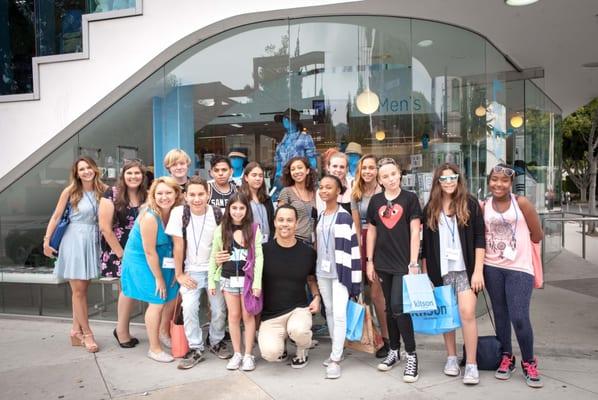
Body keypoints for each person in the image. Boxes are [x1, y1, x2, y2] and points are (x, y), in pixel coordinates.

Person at [421, 163, 485, 385]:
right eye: (444, 179)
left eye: (452, 178)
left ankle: (471, 364)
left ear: (459, 179)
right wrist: (426, 274)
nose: (449, 182)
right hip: (442, 271)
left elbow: (479, 239)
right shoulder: (431, 208)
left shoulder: (470, 204)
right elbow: (426, 246)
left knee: (467, 313)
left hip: (465, 270)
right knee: (446, 316)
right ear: (437, 182)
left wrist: (478, 271)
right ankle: (451, 357)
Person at [482, 163, 544, 388]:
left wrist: (518, 250)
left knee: (519, 316)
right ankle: (507, 356)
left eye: (504, 181)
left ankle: (529, 361)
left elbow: (537, 234)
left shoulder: (522, 204)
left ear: (511, 183)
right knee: (500, 314)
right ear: (489, 181)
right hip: (492, 267)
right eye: (494, 180)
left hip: (519, 268)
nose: (498, 184)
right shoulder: (484, 205)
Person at [166, 176, 232, 369]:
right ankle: (195, 347)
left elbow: (224, 242)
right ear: (185, 196)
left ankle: (216, 341)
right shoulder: (179, 213)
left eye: (201, 194)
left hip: (213, 271)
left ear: (208, 194)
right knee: (189, 308)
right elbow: (178, 246)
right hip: (191, 271)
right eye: (192, 194)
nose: (197, 199)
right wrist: (180, 275)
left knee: (219, 309)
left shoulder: (218, 213)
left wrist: (222, 259)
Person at [365, 157, 422, 383]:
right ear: (380, 180)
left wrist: (414, 262)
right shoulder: (376, 201)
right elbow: (372, 232)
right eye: (385, 176)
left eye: (393, 174)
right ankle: (394, 351)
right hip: (382, 262)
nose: (390, 179)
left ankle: (412, 354)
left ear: (400, 174)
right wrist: (369, 261)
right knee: (389, 308)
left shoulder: (410, 199)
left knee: (399, 307)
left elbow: (415, 232)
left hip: (404, 263)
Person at [43, 156, 106, 353]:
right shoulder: (70, 191)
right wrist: (46, 240)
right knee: (78, 291)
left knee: (82, 290)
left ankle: (74, 331)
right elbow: (56, 216)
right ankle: (87, 334)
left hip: (92, 240)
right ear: (76, 173)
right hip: (74, 240)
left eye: (88, 167)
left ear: (95, 169)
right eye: (81, 169)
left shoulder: (103, 190)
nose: (86, 171)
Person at [120, 177, 182, 363]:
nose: (164, 197)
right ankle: (154, 348)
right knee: (157, 299)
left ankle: (163, 332)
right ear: (153, 195)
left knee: (171, 296)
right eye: (159, 193)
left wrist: (176, 271)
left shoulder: (176, 212)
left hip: (165, 256)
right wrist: (159, 278)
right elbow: (149, 251)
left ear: (176, 194)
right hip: (142, 258)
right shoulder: (149, 216)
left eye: (168, 192)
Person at [258, 204, 320, 368]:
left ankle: (302, 348)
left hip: (298, 309)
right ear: (274, 222)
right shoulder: (262, 251)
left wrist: (316, 298)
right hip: (271, 315)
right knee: (271, 354)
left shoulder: (307, 252)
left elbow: (311, 278)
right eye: (281, 220)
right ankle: (281, 344)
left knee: (299, 331)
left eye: (289, 220)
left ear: (296, 223)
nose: (285, 224)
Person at [209, 192, 263, 371]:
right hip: (228, 279)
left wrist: (257, 283)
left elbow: (259, 258)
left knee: (248, 316)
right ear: (228, 209)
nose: (238, 212)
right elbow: (213, 257)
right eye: (234, 208)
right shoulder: (221, 229)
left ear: (247, 210)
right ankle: (237, 353)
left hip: (247, 281)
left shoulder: (254, 229)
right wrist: (211, 281)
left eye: (241, 208)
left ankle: (248, 354)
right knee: (233, 316)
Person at [316, 175, 361, 379]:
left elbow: (353, 248)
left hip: (340, 272)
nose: (324, 190)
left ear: (338, 191)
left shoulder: (344, 216)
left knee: (340, 313)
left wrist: (355, 278)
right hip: (322, 271)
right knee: (331, 311)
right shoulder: (320, 215)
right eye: (322, 187)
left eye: (329, 187)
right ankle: (338, 350)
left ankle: (335, 358)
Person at [98, 159, 147, 348]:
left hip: (141, 250)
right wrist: (121, 254)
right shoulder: (111, 193)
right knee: (127, 290)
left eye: (137, 173)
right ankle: (122, 332)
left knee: (131, 290)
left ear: (142, 176)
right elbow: (105, 227)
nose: (134, 177)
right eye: (130, 173)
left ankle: (122, 329)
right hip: (119, 250)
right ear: (123, 175)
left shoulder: (146, 195)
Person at [350, 154, 389, 358]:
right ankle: (373, 336)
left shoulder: (384, 192)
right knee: (362, 294)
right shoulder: (355, 193)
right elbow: (357, 226)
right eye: (364, 168)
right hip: (363, 242)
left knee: (376, 295)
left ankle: (388, 338)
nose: (367, 171)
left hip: (382, 242)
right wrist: (358, 252)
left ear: (377, 170)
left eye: (371, 168)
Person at [273, 108, 317, 197]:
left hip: (299, 179)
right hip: (282, 181)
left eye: (287, 118)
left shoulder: (305, 138)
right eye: (284, 118)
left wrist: (311, 178)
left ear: (294, 121)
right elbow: (279, 163)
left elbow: (312, 160)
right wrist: (276, 178)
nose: (285, 120)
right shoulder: (282, 142)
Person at [277, 157, 317, 245]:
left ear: (307, 170)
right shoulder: (286, 192)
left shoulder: (315, 193)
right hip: (293, 241)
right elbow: (279, 220)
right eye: (293, 169)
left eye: (300, 167)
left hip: (313, 242)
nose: (296, 171)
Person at [240, 161, 275, 243]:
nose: (258, 178)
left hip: (267, 243)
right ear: (246, 178)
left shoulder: (267, 199)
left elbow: (272, 223)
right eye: (254, 175)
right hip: (248, 243)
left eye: (260, 176)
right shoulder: (240, 199)